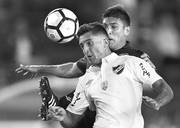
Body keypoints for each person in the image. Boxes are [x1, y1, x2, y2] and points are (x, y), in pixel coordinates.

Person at [16, 5, 156, 127]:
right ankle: (57, 107)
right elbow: (72, 69)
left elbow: (154, 83)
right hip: (95, 118)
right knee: (86, 89)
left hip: (121, 118)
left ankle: (58, 105)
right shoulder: (98, 55)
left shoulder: (135, 57)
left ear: (127, 30)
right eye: (105, 26)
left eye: (114, 27)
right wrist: (39, 68)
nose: (109, 31)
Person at [47, 22, 173, 128]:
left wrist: (158, 102)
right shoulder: (85, 79)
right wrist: (62, 116)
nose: (85, 50)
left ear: (106, 42)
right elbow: (72, 119)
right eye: (82, 45)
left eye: (89, 43)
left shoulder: (132, 62)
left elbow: (165, 89)